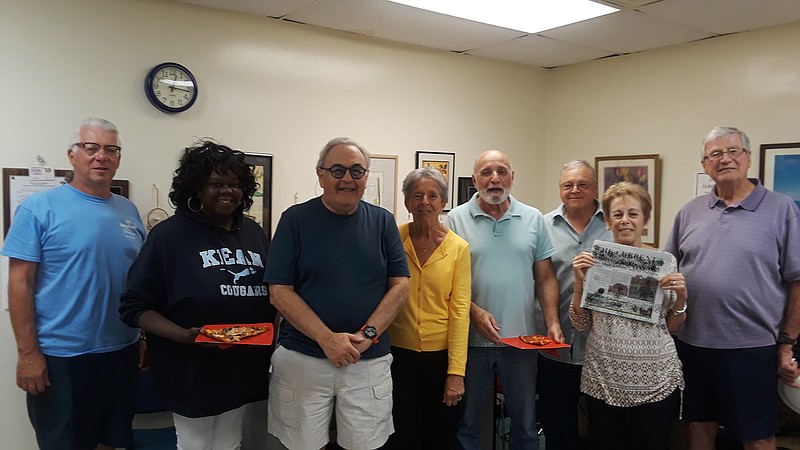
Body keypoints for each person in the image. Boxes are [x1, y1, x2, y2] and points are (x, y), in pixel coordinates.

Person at [118, 141, 276, 450]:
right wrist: (182, 335)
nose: (227, 191)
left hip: (242, 367)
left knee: (230, 442)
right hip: (191, 369)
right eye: (216, 184)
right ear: (196, 188)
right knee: (196, 445)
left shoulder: (254, 233)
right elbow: (134, 306)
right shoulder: (168, 236)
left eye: (234, 184)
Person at [2, 117, 146, 450]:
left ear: (119, 158)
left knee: (113, 441)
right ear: (71, 155)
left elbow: (134, 280)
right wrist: (27, 355)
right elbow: (19, 284)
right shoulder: (39, 208)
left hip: (120, 350)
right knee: (65, 443)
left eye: (111, 149)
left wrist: (140, 335)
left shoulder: (128, 211)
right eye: (91, 147)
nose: (101, 156)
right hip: (61, 356)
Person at [264, 137, 410, 450]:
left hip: (366, 362)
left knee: (366, 445)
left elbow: (400, 286)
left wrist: (368, 334)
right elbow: (279, 292)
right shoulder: (294, 220)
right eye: (338, 170)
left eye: (357, 171)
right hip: (303, 359)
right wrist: (327, 339)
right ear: (320, 174)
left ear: (366, 177)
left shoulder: (383, 222)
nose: (347, 179)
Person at [665, 126, 800, 450]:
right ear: (705, 164)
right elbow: (668, 272)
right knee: (698, 427)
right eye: (715, 154)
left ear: (748, 158)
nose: (725, 159)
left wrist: (786, 344)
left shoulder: (782, 210)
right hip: (693, 344)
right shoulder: (689, 212)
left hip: (752, 349)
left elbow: (798, 282)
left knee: (757, 437)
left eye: (733, 151)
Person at [445, 149, 563, 450]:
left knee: (524, 424)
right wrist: (473, 311)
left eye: (501, 171)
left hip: (522, 342)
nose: (494, 178)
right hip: (468, 342)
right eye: (486, 172)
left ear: (512, 177)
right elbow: (444, 282)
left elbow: (546, 276)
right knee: (467, 424)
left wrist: (552, 322)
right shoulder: (455, 219)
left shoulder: (533, 218)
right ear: (475, 180)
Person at [570, 182, 686, 450]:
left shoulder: (665, 262)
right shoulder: (593, 262)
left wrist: (681, 298)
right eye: (618, 214)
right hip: (604, 378)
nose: (625, 221)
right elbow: (580, 323)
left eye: (633, 214)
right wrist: (579, 282)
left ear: (645, 219)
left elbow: (672, 326)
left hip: (656, 380)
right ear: (608, 221)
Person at [386, 168, 471, 449]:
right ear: (407, 202)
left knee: (441, 435)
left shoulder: (458, 248)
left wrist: (456, 373)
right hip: (397, 357)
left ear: (443, 201)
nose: (425, 201)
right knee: (401, 434)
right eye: (417, 195)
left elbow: (460, 311)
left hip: (441, 358)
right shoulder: (392, 238)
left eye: (432, 195)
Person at [534, 160, 612, 450]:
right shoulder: (541, 225)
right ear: (560, 189)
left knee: (604, 430)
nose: (575, 190)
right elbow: (539, 278)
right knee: (557, 426)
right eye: (568, 185)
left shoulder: (614, 224)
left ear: (595, 188)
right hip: (555, 346)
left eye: (583, 184)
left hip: (602, 349)